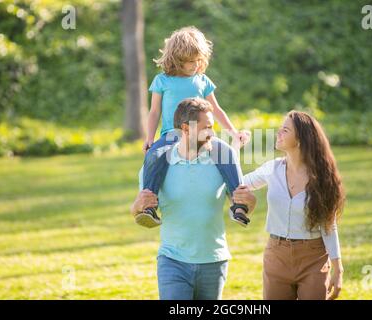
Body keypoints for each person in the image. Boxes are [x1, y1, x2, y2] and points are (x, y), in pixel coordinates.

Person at [130, 98, 256, 300]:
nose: (212, 133)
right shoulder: (157, 164)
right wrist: (138, 206)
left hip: (214, 260)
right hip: (172, 261)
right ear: (186, 129)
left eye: (212, 127)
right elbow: (136, 210)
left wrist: (249, 202)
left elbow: (243, 201)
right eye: (207, 128)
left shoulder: (221, 159)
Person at [136, 26, 251, 229]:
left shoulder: (202, 81)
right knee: (154, 156)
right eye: (190, 61)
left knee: (226, 153)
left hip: (202, 135)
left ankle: (238, 203)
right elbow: (154, 112)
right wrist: (149, 138)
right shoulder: (162, 81)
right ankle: (149, 207)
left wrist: (233, 132)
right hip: (173, 135)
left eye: (198, 60)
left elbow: (216, 109)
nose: (195, 65)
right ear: (177, 59)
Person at [233, 110, 345, 300]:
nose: (278, 134)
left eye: (285, 130)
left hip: (313, 258)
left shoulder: (323, 177)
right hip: (276, 256)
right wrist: (235, 147)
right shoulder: (272, 168)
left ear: (301, 139)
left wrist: (338, 269)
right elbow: (237, 183)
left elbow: (329, 225)